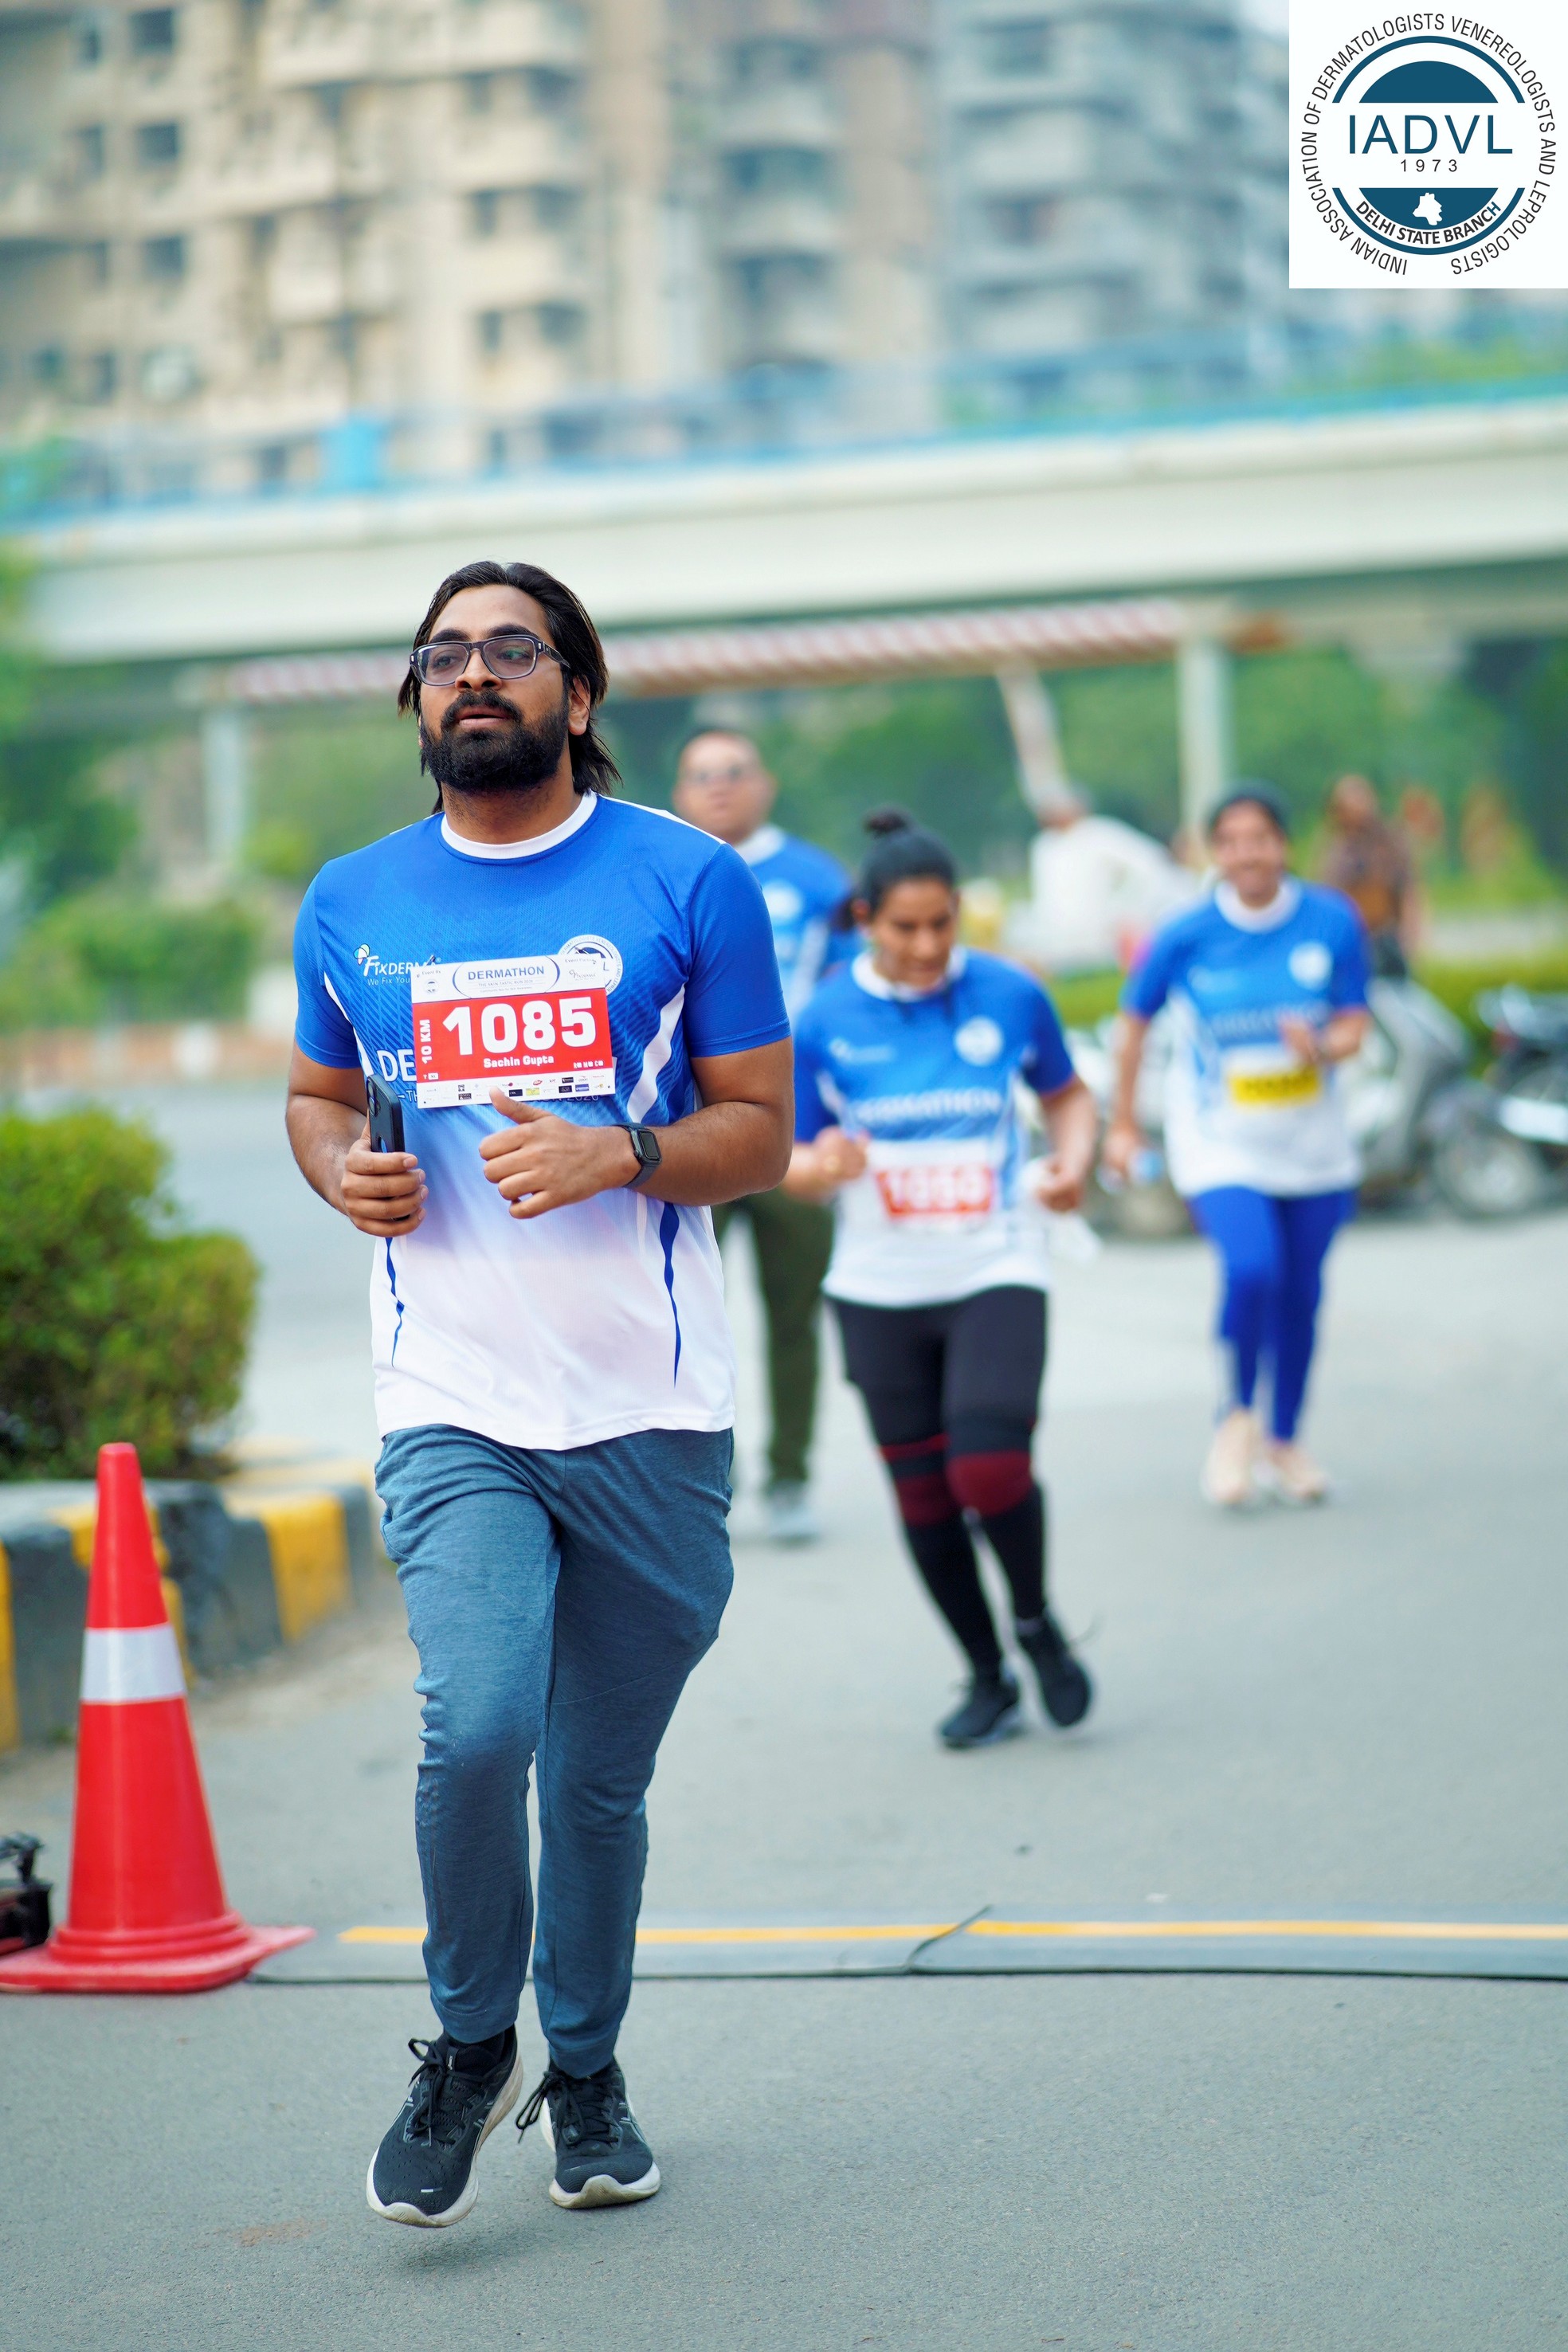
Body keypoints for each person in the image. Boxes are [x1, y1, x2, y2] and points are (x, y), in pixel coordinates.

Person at [285, 560, 793, 2229]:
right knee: (480, 1721)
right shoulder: (353, 898)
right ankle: (463, 2047)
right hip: (452, 1397)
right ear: (417, 699)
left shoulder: (689, 880)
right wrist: (338, 1171)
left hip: (650, 1409)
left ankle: (585, 2069)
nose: (473, 673)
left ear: (578, 691)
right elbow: (315, 1094)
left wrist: (620, 1153)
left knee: (591, 1783)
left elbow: (759, 1135)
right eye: (443, 654)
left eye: (512, 648)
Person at [784, 809, 1099, 1750]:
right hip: (878, 1284)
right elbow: (784, 1154)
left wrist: (1073, 1164)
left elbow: (1066, 1096)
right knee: (923, 1497)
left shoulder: (1009, 992)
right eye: (904, 928)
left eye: (941, 925)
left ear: (959, 912)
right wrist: (820, 1166)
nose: (926, 947)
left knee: (989, 1467)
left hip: (996, 1260)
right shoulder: (823, 1018)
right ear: (864, 920)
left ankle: (1036, 1623)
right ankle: (987, 1674)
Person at [1103, 786, 1371, 1509]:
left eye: (1260, 839)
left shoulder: (1330, 920)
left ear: (1284, 844)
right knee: (1252, 1269)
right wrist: (1122, 1124)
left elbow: (1355, 1021)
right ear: (1213, 852)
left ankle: (1285, 1441)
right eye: (1231, 841)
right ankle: (1235, 1421)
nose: (1247, 854)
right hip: (1220, 1142)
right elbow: (1133, 1024)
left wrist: (1322, 1047)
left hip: (1314, 1146)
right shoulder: (1185, 933)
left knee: (1301, 1295)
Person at [672, 727, 851, 1543]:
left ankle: (790, 1478)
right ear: (681, 793)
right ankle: (707, 1475)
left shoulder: (818, 881)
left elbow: (854, 999)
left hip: (795, 1138)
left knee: (793, 1316)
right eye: (701, 775)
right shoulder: (665, 872)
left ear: (765, 784)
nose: (719, 787)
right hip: (688, 1141)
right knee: (684, 1310)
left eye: (734, 772)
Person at [1009, 786, 1196, 974]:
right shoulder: (1043, 845)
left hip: (1099, 934)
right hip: (1054, 936)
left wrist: (1126, 909)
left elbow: (1150, 863)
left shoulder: (1099, 835)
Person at [1318, 772, 1420, 977]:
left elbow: (1407, 891)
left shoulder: (1390, 842)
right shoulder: (1334, 849)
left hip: (1387, 937)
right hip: (1352, 936)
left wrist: (1411, 937)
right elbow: (1327, 896)